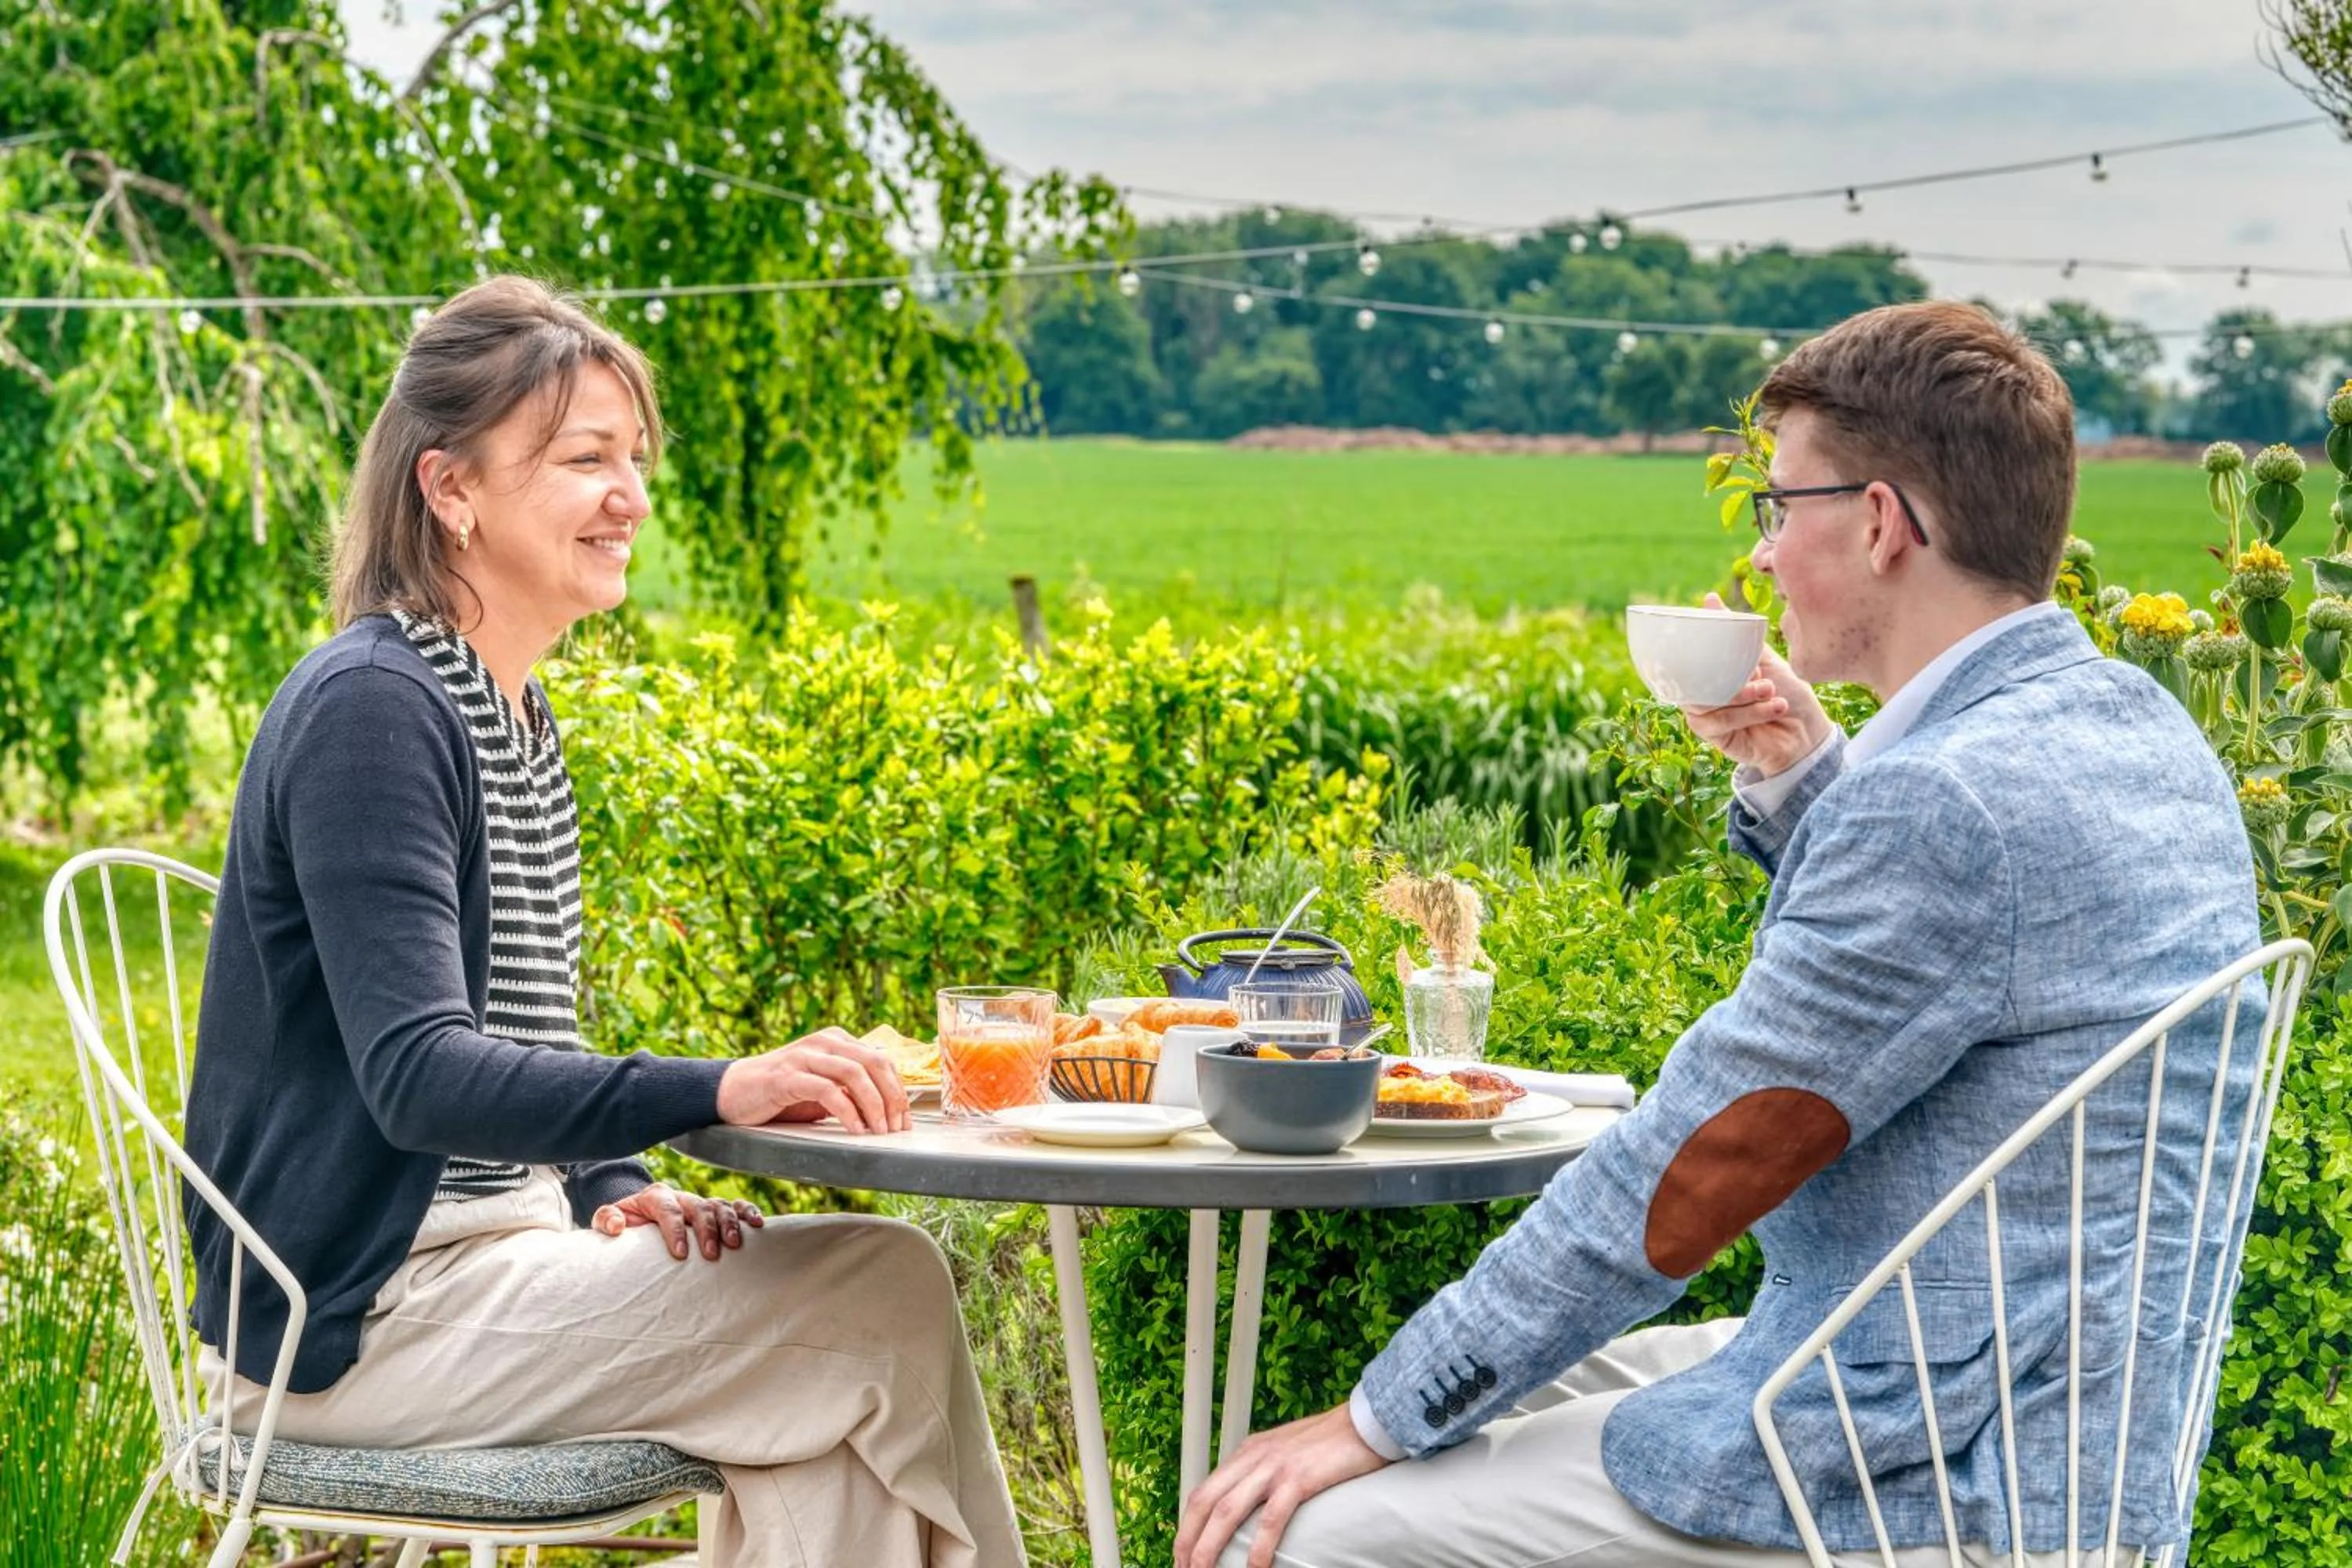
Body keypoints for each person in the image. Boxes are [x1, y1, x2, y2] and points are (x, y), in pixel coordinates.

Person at [1177, 301, 2264, 1568]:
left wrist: (1372, 1415)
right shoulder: (2132, 730)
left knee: (1317, 1527)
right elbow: (1971, 969)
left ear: (1877, 523)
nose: (1758, 559)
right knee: (1517, 1401)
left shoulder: (1944, 806)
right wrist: (1810, 789)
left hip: (1933, 1466)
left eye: (1778, 507)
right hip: (2071, 1422)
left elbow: (1693, 1162)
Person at [183, 275, 1022, 1568]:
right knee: (879, 1292)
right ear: (450, 490)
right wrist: (723, 1085)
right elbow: (419, 1079)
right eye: (585, 459)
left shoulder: (510, 713)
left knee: (823, 1407)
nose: (630, 494)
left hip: (491, 1271)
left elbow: (522, 1037)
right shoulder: (374, 709)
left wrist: (613, 1184)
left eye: (633, 457)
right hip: (347, 1322)